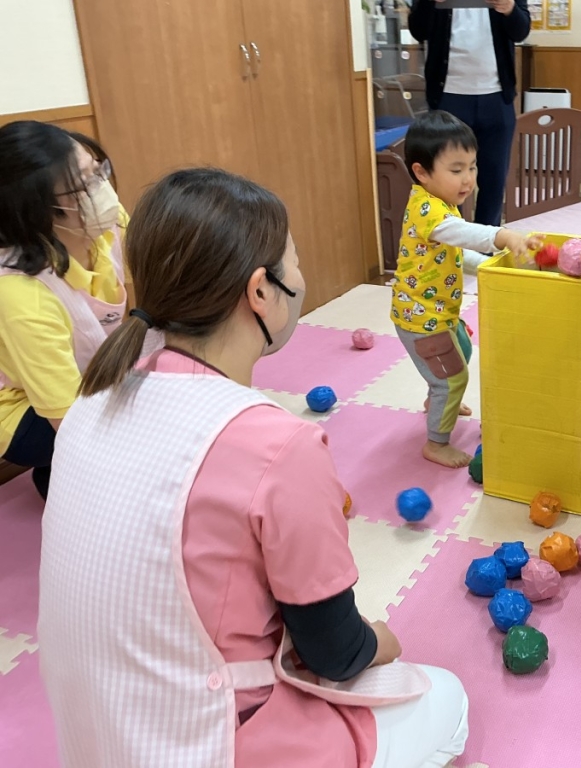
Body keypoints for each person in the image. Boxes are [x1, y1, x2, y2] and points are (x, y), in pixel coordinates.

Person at [38, 168, 469, 768]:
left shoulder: (94, 397)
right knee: (448, 698)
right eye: (293, 263)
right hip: (209, 742)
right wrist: (379, 642)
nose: (302, 276)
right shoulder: (277, 444)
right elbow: (334, 651)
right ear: (260, 292)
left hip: (95, 735)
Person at [394, 110, 540, 468]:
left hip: (440, 314)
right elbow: (464, 235)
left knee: (460, 349)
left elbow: (455, 256)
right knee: (452, 377)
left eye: (472, 167)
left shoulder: (444, 205)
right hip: (421, 320)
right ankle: (436, 442)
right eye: (456, 170)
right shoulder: (429, 210)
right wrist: (501, 236)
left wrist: (491, 267)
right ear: (422, 172)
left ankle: (438, 399)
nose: (468, 179)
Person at [0, 121, 128, 499]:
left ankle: (59, 475)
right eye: (85, 184)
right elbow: (68, 419)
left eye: (98, 171)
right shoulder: (23, 295)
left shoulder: (100, 224)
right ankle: (60, 475)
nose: (102, 190)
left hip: (87, 377)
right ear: (41, 210)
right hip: (26, 411)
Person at [408, 0, 531, 229]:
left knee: (494, 181)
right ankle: (450, 245)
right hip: (448, 95)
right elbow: (418, 30)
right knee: (446, 179)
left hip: (497, 97)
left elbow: (521, 30)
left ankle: (484, 251)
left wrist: (510, 9)